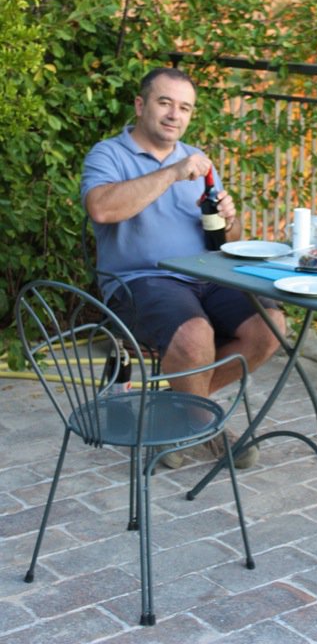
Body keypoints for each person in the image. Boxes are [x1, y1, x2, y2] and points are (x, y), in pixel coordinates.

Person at [81, 66, 285, 468]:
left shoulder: (198, 161)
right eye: (165, 103)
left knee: (270, 326)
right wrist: (172, 172)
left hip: (207, 274)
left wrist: (230, 219)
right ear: (140, 105)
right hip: (141, 280)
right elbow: (101, 209)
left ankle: (176, 413)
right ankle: (206, 427)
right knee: (194, 335)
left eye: (185, 107)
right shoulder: (109, 154)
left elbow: (225, 241)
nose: (175, 114)